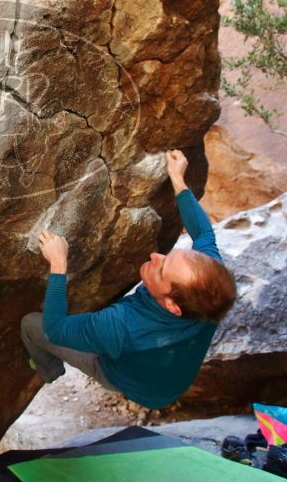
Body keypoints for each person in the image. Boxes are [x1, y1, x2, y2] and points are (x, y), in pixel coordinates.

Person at [21, 149, 237, 409]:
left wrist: (58, 264)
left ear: (172, 305)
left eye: (162, 268)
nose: (155, 256)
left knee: (30, 324)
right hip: (175, 378)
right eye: (168, 256)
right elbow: (203, 232)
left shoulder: (120, 325)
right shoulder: (210, 290)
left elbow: (54, 330)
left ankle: (49, 370)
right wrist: (178, 179)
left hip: (132, 384)